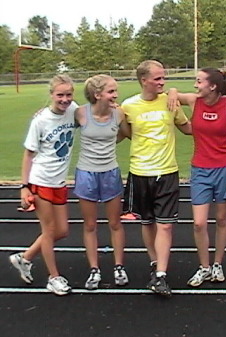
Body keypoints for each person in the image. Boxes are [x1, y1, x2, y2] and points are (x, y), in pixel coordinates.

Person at [121, 60, 191, 297]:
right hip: (140, 172)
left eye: (164, 78)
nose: (163, 82)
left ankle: (161, 275)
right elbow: (121, 134)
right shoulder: (128, 106)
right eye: (158, 78)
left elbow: (188, 127)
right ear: (144, 80)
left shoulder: (170, 101)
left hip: (167, 171)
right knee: (147, 222)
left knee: (166, 224)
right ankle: (154, 262)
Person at [168, 68, 226, 287]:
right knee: (199, 223)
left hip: (225, 167)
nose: (196, 85)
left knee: (221, 219)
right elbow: (172, 94)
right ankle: (204, 267)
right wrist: (172, 90)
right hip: (200, 169)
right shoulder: (193, 101)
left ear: (213, 86)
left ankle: (217, 264)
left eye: (199, 81)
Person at [10, 74, 78, 296]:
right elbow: (28, 155)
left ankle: (25, 257)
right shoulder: (40, 121)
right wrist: (24, 186)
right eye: (60, 95)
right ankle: (53, 277)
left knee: (62, 231)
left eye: (68, 94)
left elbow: (93, 111)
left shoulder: (73, 109)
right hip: (41, 181)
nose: (65, 99)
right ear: (51, 95)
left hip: (59, 181)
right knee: (49, 231)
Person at [74, 74, 130, 290]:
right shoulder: (80, 113)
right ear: (97, 94)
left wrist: (108, 142)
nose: (115, 95)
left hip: (110, 173)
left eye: (115, 91)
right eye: (111, 91)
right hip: (86, 173)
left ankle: (119, 267)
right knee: (90, 225)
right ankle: (94, 270)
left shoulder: (119, 113)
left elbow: (126, 134)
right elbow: (56, 117)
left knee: (115, 223)